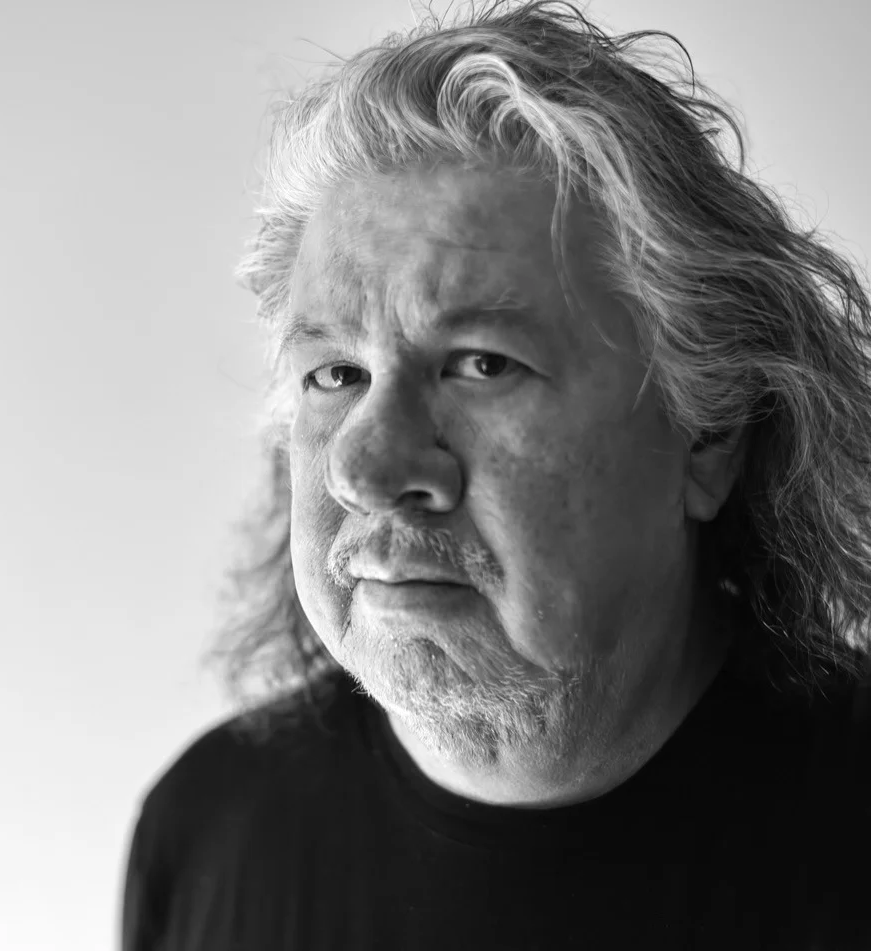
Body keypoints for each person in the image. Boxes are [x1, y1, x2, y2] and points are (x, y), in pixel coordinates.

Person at [121, 2, 871, 948]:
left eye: (481, 363)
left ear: (709, 432)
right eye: (335, 375)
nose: (365, 464)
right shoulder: (207, 831)